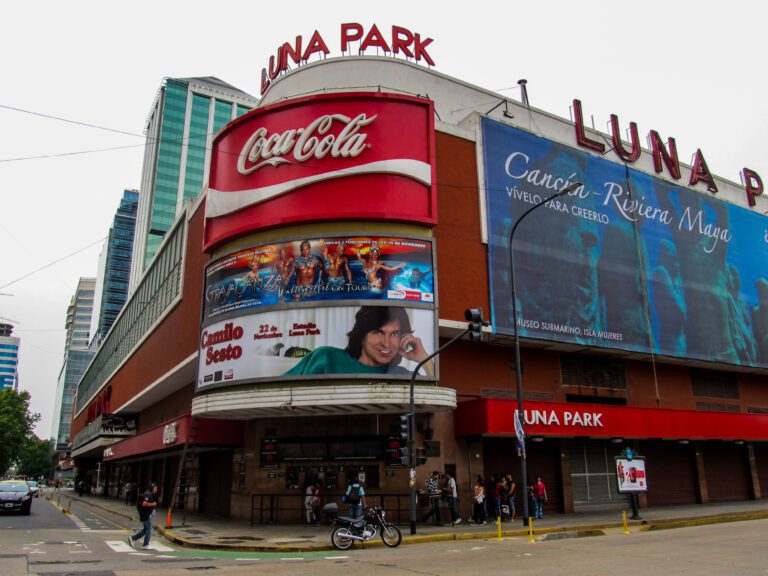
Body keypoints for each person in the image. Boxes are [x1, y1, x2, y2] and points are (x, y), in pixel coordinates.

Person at [284, 306, 433, 376]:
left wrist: (424, 359)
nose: (387, 343)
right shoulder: (326, 357)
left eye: (394, 334)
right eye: (378, 332)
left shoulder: (402, 375)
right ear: (362, 336)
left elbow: (433, 402)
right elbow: (278, 392)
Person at [128, 483, 159, 550]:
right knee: (149, 529)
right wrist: (153, 504)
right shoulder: (149, 494)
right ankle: (145, 544)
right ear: (152, 488)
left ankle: (132, 538)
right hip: (145, 515)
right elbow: (144, 504)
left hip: (145, 514)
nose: (156, 489)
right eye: (155, 488)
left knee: (145, 529)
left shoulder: (149, 494)